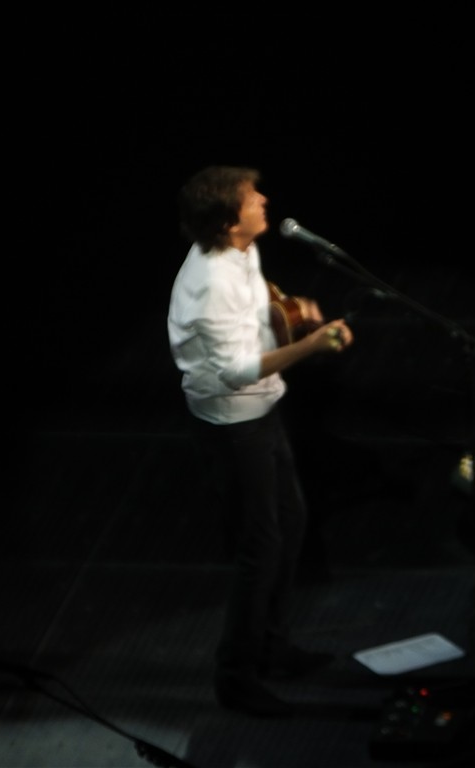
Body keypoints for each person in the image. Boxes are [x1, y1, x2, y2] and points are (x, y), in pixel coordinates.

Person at [167, 165, 353, 717]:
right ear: (229, 222)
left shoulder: (242, 252)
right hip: (234, 424)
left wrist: (291, 311)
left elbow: (255, 312)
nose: (263, 200)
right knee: (260, 549)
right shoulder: (210, 283)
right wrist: (311, 346)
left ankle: (273, 648)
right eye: (252, 198)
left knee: (290, 524)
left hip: (262, 409)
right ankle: (236, 677)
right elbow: (235, 370)